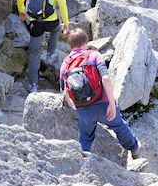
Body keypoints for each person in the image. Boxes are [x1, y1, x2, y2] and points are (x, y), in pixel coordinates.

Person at [60, 28, 141, 158]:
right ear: (85, 43)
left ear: (70, 45)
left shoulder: (66, 62)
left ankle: (85, 161)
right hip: (103, 103)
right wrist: (111, 103)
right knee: (119, 126)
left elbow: (63, 88)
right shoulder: (93, 55)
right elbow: (106, 78)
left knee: (85, 138)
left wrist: (72, 103)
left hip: (83, 109)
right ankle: (134, 149)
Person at [17, 0, 70, 93]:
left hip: (35, 22)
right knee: (56, 27)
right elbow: (63, 5)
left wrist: (22, 12)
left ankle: (33, 85)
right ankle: (51, 53)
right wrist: (66, 23)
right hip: (51, 21)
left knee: (34, 52)